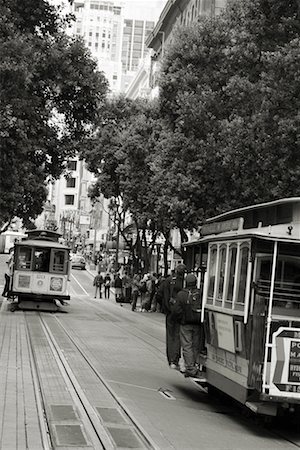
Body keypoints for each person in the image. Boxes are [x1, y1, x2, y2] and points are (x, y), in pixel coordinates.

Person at [172, 273, 206, 379]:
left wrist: (181, 319)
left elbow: (176, 310)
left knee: (187, 346)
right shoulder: (200, 293)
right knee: (196, 345)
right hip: (197, 324)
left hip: (185, 324)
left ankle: (190, 367)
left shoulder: (182, 294)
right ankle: (195, 364)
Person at [163, 264, 186, 370]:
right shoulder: (185, 282)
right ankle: (176, 358)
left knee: (170, 335)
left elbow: (160, 294)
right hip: (180, 313)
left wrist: (166, 308)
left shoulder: (168, 281)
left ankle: (171, 359)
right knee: (178, 335)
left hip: (170, 312)